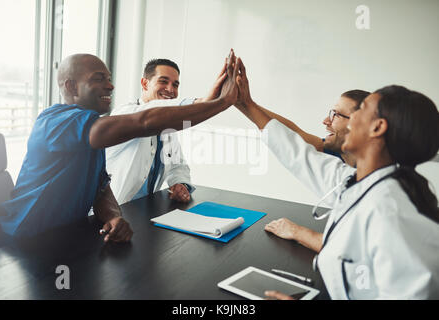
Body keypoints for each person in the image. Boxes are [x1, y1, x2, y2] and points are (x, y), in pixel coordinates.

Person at [235, 58, 439, 299]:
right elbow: (297, 151)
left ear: (378, 128)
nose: (331, 122)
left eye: (360, 111)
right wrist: (244, 103)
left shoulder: (389, 210)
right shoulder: (355, 183)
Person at [0, 51, 239, 244]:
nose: (110, 86)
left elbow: (100, 187)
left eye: (109, 79)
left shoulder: (92, 130)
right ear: (70, 87)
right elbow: (144, 120)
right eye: (99, 79)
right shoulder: (55, 121)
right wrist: (221, 102)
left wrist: (113, 216)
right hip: (23, 240)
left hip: (66, 238)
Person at [106, 58, 226, 205]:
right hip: (115, 210)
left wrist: (180, 184)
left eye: (175, 85)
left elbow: (177, 164)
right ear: (145, 83)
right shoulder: (125, 113)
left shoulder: (167, 127)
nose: (170, 89)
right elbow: (149, 114)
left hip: (144, 208)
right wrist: (204, 101)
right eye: (163, 81)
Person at [253, 89, 369, 167]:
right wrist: (244, 102)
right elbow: (294, 133)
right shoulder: (338, 151)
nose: (326, 121)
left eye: (336, 115)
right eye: (331, 114)